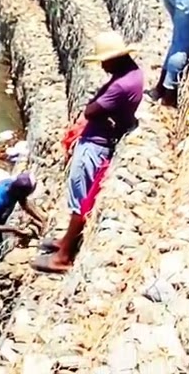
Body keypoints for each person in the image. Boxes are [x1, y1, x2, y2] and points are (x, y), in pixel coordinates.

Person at [32, 31, 144, 273]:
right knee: (79, 197)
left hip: (96, 144)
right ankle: (65, 242)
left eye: (104, 60)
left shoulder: (120, 84)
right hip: (99, 137)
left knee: (80, 201)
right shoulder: (131, 74)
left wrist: (95, 106)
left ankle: (63, 257)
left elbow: (91, 112)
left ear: (115, 59)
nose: (102, 66)